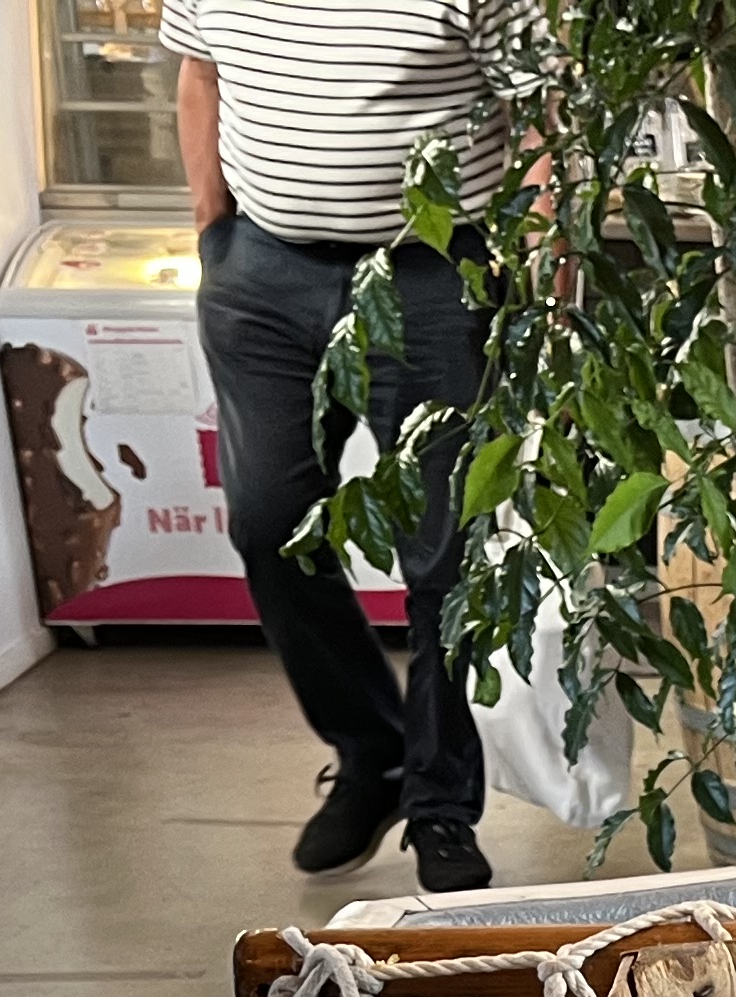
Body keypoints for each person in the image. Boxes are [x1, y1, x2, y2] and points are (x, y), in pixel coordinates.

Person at [160, 2, 524, 890]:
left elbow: (540, 106)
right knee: (271, 523)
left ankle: (441, 804)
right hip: (265, 274)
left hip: (434, 270)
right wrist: (213, 226)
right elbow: (200, 75)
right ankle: (373, 750)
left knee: (444, 550)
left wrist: (529, 246)